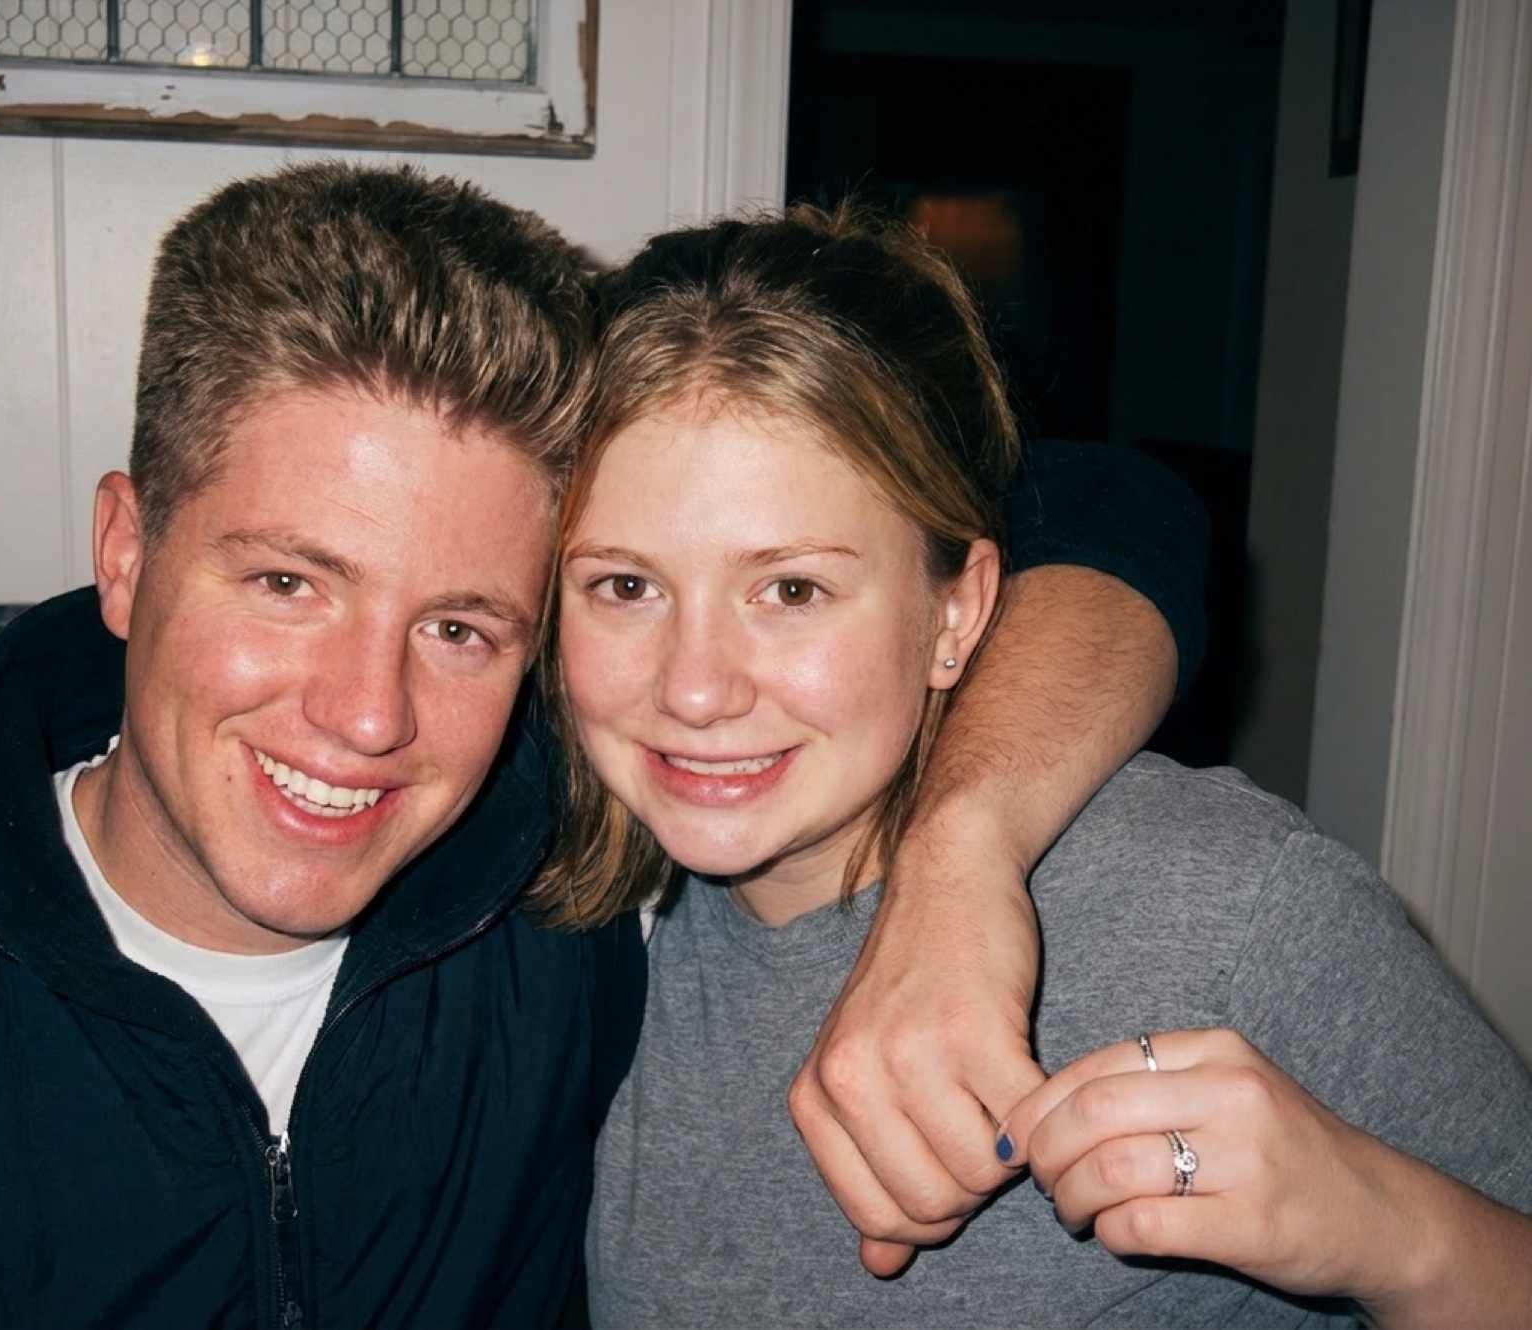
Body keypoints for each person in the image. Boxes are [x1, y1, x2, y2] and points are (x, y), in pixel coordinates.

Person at [0, 164, 1201, 1327]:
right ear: (125, 552)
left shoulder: (567, 886)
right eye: (289, 581)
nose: (368, 716)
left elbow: (1104, 506)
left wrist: (962, 858)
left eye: (462, 627)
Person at [560, 203, 1532, 1327]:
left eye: (792, 590)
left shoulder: (1228, 903)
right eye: (625, 586)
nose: (694, 687)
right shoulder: (579, 933)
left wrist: (1392, 1231)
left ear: (956, 611)